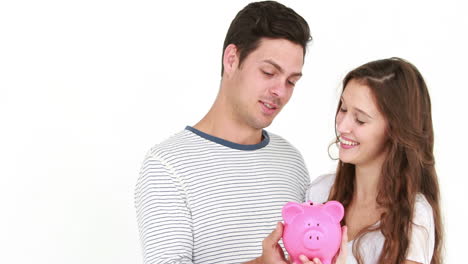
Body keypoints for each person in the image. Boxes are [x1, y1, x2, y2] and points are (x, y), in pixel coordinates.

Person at [134, 1, 312, 263]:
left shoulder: (291, 161)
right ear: (232, 59)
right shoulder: (167, 166)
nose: (280, 92)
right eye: (269, 72)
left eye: (291, 81)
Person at [268, 57, 442, 264]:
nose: (342, 127)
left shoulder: (414, 214)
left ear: (395, 131)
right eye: (343, 109)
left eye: (360, 119)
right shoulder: (320, 191)